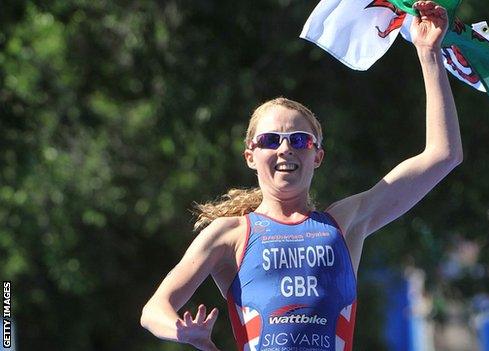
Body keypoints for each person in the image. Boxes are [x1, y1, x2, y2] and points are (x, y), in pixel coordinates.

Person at [140, 1, 461, 350]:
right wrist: (184, 332)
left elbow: (444, 155)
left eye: (299, 140)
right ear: (251, 155)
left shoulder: (345, 222)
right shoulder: (230, 235)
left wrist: (429, 54)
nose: (284, 149)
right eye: (270, 140)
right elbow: (154, 310)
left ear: (317, 155)